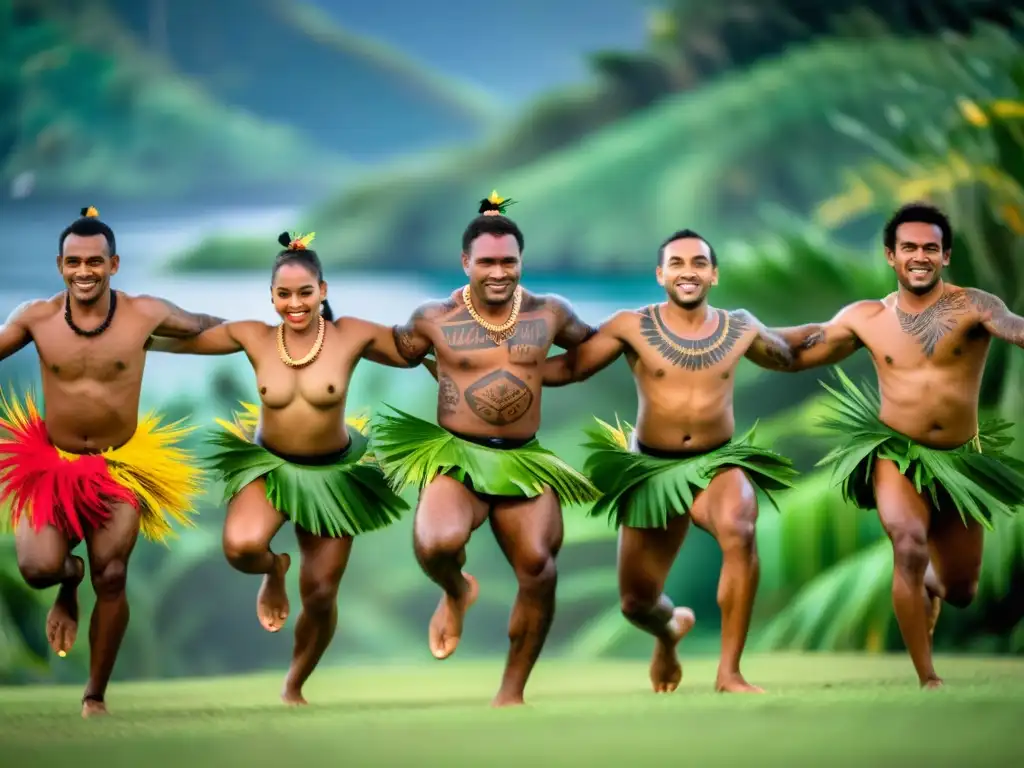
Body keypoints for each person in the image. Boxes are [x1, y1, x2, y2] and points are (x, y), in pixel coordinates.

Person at [148, 231, 418, 705]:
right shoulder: (252, 336)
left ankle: (295, 682)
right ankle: (275, 569)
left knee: (320, 593)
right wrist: (122, 337)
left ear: (323, 291)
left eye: (305, 292)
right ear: (271, 296)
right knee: (240, 547)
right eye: (284, 294)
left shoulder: (350, 334)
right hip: (269, 464)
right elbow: (181, 343)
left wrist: (452, 350)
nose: (295, 303)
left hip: (334, 473)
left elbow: (411, 350)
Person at [772, 201, 1024, 688]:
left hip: (961, 461)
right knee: (907, 544)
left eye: (930, 247)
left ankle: (932, 582)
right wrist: (742, 333)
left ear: (946, 255)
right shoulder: (865, 317)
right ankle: (927, 676)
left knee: (961, 588)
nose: (920, 256)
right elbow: (801, 349)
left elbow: (1016, 328)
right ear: (891, 255)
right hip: (894, 453)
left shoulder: (976, 305)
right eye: (909, 247)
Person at [541, 229, 799, 694]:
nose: (688, 271)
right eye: (677, 263)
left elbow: (787, 354)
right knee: (636, 603)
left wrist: (843, 334)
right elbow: (570, 368)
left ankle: (730, 673)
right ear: (661, 274)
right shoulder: (630, 325)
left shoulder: (739, 326)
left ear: (713, 274)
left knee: (740, 530)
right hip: (652, 469)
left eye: (698, 263)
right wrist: (492, 370)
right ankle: (668, 630)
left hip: (716, 461)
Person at [373, 191, 601, 707]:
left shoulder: (550, 313)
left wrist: (541, 377)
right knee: (436, 545)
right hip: (458, 454)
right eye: (487, 262)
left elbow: (589, 350)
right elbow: (397, 350)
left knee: (540, 569)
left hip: (523, 458)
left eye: (509, 262)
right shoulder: (434, 317)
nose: (499, 272)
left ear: (521, 261)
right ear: (465, 263)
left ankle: (511, 692)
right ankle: (457, 591)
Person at [0, 207, 223, 717]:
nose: (85, 271)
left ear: (114, 263)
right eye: (74, 261)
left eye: (95, 261)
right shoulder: (35, 315)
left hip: (119, 464)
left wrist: (274, 338)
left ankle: (94, 694)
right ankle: (67, 579)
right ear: (60, 264)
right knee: (38, 569)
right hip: (51, 462)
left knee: (113, 574)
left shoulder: (145, 313)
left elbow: (205, 327)